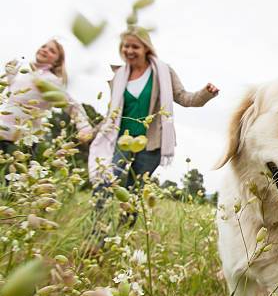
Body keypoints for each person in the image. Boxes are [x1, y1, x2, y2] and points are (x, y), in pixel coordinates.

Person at [88, 26, 219, 202]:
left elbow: (184, 98)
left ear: (146, 48)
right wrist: (92, 132)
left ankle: (122, 227)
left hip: (151, 143)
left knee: (133, 192)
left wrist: (206, 93)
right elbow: (112, 115)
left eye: (135, 47)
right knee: (107, 182)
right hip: (121, 141)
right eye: (125, 46)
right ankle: (99, 227)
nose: (129, 50)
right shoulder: (119, 77)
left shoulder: (163, 72)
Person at [0, 39, 92, 154]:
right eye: (44, 46)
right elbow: (14, 97)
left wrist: (84, 128)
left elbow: (71, 104)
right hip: (3, 132)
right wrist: (10, 76)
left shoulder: (51, 80)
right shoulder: (27, 74)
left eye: (52, 51)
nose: (45, 50)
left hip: (24, 140)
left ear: (56, 62)